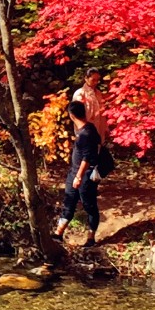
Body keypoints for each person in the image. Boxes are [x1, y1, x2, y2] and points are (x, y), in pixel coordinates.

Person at [54, 98, 102, 244]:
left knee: (89, 205)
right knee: (69, 201)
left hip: (85, 176)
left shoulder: (86, 133)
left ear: (72, 115)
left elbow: (87, 158)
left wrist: (79, 177)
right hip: (74, 173)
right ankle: (58, 234)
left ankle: (90, 238)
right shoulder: (88, 128)